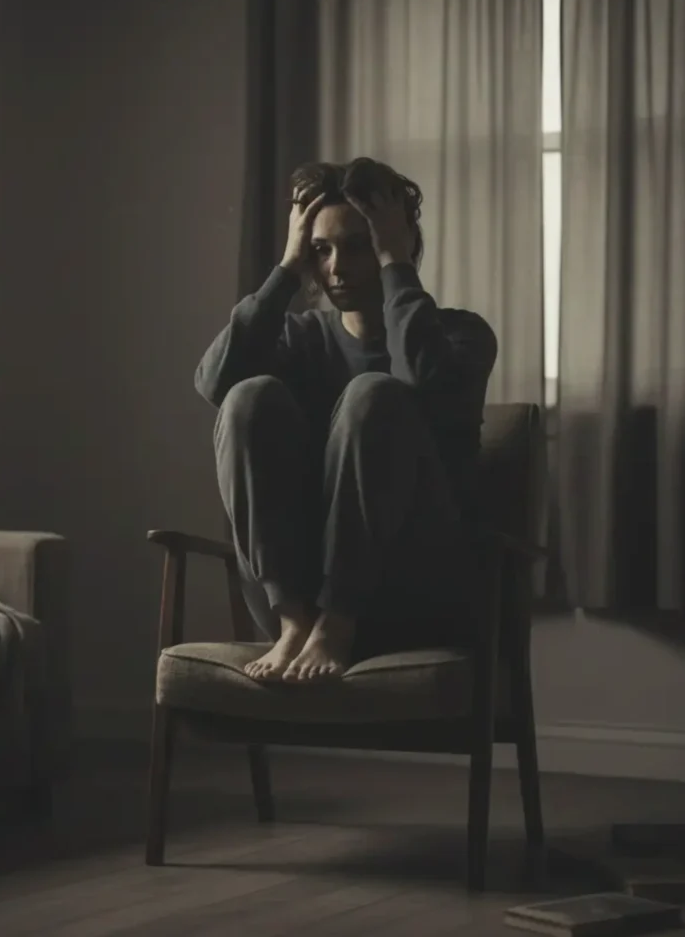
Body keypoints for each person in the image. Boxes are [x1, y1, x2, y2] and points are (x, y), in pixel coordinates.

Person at [194, 157, 498, 684]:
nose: (337, 266)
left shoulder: (460, 337)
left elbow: (424, 383)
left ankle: (341, 620)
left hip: (409, 589)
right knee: (249, 397)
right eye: (321, 250)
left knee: (374, 393)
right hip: (299, 605)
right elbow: (214, 384)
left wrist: (396, 263)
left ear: (395, 242)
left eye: (358, 245)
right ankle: (295, 621)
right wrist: (287, 269)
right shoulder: (299, 339)